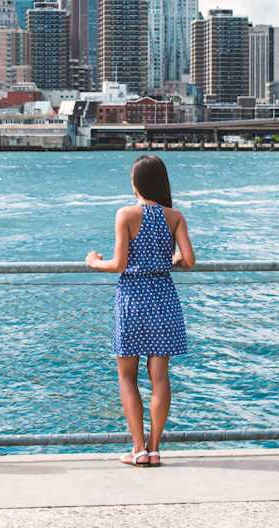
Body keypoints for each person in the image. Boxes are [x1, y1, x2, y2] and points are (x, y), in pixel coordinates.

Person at [85, 155, 194, 467]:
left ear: (136, 184)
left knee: (127, 376)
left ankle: (138, 450)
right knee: (159, 378)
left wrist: (94, 262)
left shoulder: (126, 214)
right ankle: (154, 447)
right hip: (164, 298)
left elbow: (119, 264)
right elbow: (188, 260)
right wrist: (165, 261)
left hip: (132, 299)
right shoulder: (174, 216)